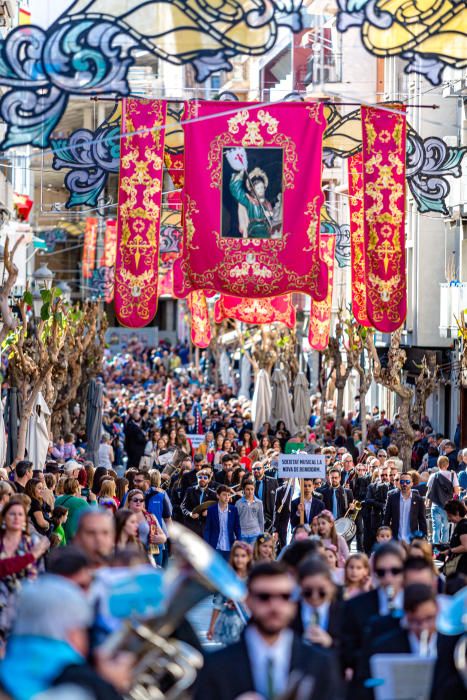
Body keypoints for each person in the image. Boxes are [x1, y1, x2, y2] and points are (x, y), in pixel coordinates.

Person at [195, 561, 342, 700]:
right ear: (248, 600)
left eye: (285, 597)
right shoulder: (216, 665)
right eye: (264, 597)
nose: (275, 605)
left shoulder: (320, 663)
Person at [0, 574, 130, 699]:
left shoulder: (7, 670)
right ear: (73, 633)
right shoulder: (83, 684)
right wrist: (110, 688)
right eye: (83, 629)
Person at [341, 542, 405, 675]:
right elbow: (348, 650)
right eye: (381, 572)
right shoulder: (355, 606)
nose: (388, 578)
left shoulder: (414, 602)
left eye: (395, 571)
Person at [0, 498, 40, 646]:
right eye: (12, 514)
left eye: (20, 514)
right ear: (4, 517)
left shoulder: (33, 543)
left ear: (25, 519)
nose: (16, 517)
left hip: (24, 606)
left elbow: (39, 575)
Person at [292, 556, 344, 654]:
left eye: (321, 592)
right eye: (308, 592)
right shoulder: (289, 613)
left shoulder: (345, 612)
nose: (314, 597)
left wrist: (331, 643)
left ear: (331, 587)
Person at [206, 540, 252, 645]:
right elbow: (218, 603)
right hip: (229, 621)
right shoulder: (228, 578)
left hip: (246, 621)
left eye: (243, 556)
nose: (239, 559)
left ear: (249, 557)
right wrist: (211, 626)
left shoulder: (252, 578)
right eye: (236, 555)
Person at [383, 471, 427, 541]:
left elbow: (422, 521)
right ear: (399, 483)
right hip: (395, 539)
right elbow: (386, 519)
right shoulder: (392, 498)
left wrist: (423, 538)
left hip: (412, 540)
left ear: (412, 483)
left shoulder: (418, 500)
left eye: (407, 482)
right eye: (402, 481)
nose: (405, 484)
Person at [126, 489, 166, 566]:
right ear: (129, 502)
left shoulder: (150, 516)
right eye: (135, 500)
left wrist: (161, 538)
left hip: (148, 555)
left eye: (141, 500)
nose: (138, 502)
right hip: (129, 555)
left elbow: (163, 536)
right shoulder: (123, 516)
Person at [427, 455, 460, 543]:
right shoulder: (452, 475)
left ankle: (436, 548)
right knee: (445, 527)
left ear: (438, 465)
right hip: (447, 505)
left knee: (435, 528)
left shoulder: (433, 475)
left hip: (435, 505)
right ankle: (444, 546)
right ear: (448, 464)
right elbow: (457, 491)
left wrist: (427, 503)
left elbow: (429, 491)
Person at [204, 485, 242, 560]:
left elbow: (237, 527)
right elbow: (208, 528)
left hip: (229, 546)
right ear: (218, 496)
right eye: (224, 494)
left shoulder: (233, 509)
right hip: (215, 546)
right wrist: (206, 544)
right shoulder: (211, 510)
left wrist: (239, 541)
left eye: (229, 495)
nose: (227, 497)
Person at [181, 470, 217, 537]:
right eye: (200, 477)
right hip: (191, 526)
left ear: (209, 480)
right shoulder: (190, 490)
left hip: (205, 527)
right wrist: (190, 514)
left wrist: (209, 512)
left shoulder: (213, 494)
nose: (202, 479)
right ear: (197, 478)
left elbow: (217, 508)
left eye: (205, 478)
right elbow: (183, 506)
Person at [235, 479, 264, 545]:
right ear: (244, 490)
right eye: (247, 489)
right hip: (242, 535)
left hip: (255, 534)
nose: (250, 491)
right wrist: (236, 535)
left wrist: (262, 536)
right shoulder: (238, 503)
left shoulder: (259, 503)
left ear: (254, 489)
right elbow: (236, 521)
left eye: (252, 489)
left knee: (253, 554)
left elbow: (261, 520)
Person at [443, 499, 467, 576]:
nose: (449, 519)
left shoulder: (463, 526)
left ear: (457, 513)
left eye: (450, 516)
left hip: (462, 567)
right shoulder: (461, 525)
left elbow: (465, 546)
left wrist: (450, 551)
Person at [252, 461, 278, 530]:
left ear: (263, 469)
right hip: (255, 517)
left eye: (258, 468)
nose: (256, 470)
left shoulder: (273, 481)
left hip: (270, 517)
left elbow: (278, 499)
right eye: (254, 469)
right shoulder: (250, 484)